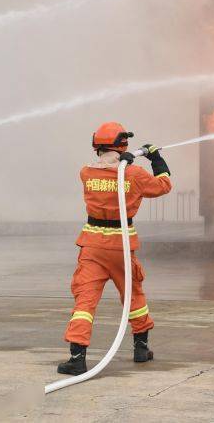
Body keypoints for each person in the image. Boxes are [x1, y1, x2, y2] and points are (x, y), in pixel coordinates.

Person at [58, 122, 171, 375]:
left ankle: (77, 358)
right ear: (123, 145)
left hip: (92, 247)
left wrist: (125, 162)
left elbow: (105, 169)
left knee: (85, 300)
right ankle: (141, 348)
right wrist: (155, 159)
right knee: (133, 296)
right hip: (121, 246)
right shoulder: (133, 175)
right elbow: (164, 186)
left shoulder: (86, 172)